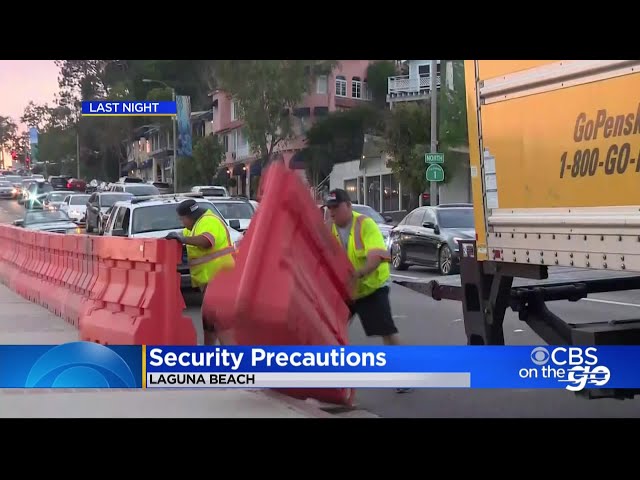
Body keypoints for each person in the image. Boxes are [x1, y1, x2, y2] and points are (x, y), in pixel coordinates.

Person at [324, 188, 410, 394]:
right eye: (329, 208)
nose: (332, 212)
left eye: (336, 207)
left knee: (386, 331)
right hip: (346, 290)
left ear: (348, 206)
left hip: (372, 287)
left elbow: (376, 257)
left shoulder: (365, 224)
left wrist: (358, 274)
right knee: (331, 329)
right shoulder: (329, 228)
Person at [166, 199, 236, 346]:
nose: (182, 222)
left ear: (189, 217)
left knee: (220, 323)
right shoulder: (194, 226)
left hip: (221, 279)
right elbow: (185, 239)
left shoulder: (209, 221)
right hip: (212, 281)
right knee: (209, 322)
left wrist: (183, 239)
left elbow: (206, 241)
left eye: (182, 219)